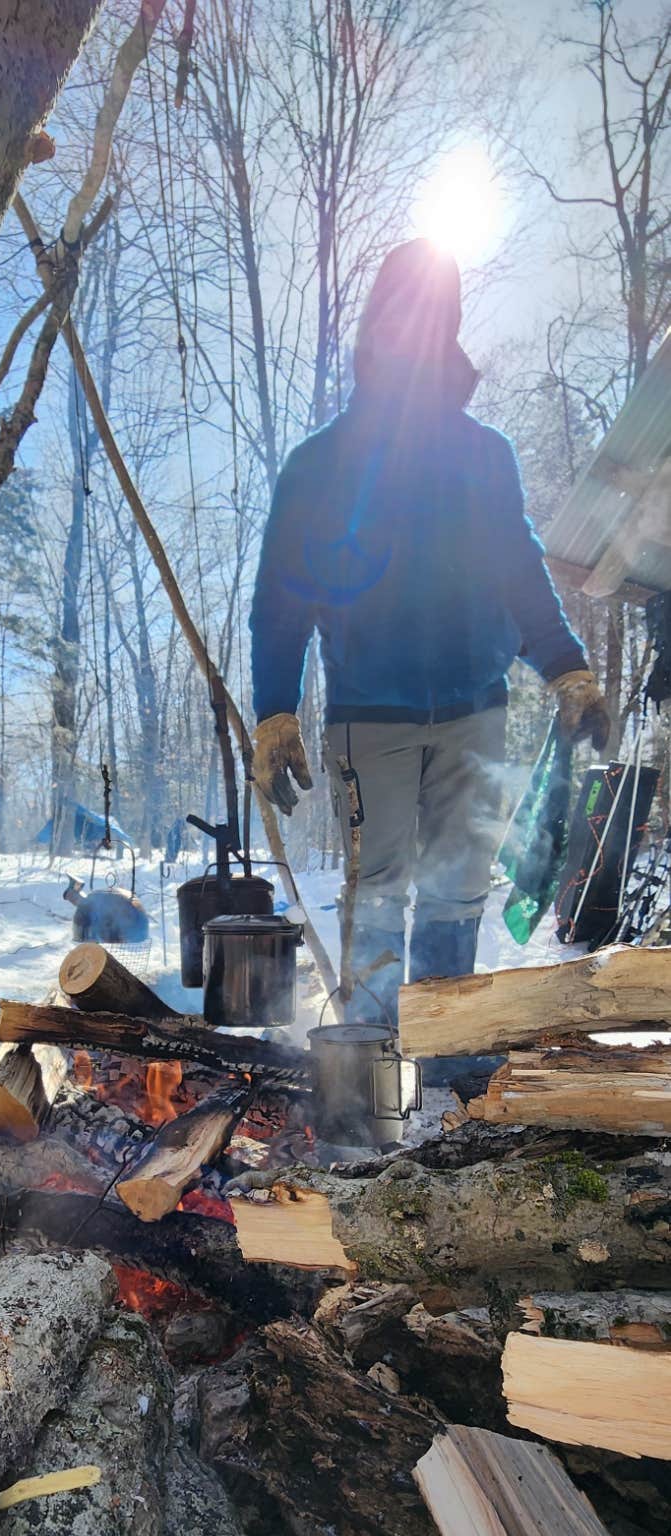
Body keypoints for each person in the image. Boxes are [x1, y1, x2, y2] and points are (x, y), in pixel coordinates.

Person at [249, 238, 609, 1024]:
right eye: (399, 312)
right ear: (376, 323)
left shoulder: (484, 455)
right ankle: (373, 1056)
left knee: (456, 887)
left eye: (433, 315)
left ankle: (442, 1047)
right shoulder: (320, 464)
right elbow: (282, 598)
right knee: (376, 888)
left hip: (475, 708)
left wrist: (565, 668)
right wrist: (275, 710)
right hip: (366, 714)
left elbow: (518, 571)